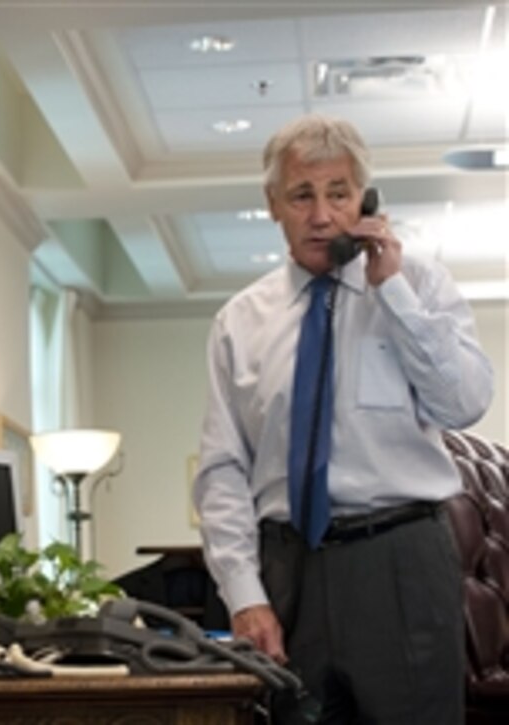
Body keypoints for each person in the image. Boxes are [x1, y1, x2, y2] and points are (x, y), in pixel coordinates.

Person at [192, 114, 493, 724]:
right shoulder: (239, 322)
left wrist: (395, 294)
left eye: (340, 194)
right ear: (273, 203)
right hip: (287, 572)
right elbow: (223, 470)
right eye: (302, 195)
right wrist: (245, 596)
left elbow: (463, 403)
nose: (322, 216)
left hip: (400, 561)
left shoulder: (421, 287)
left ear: (366, 201)